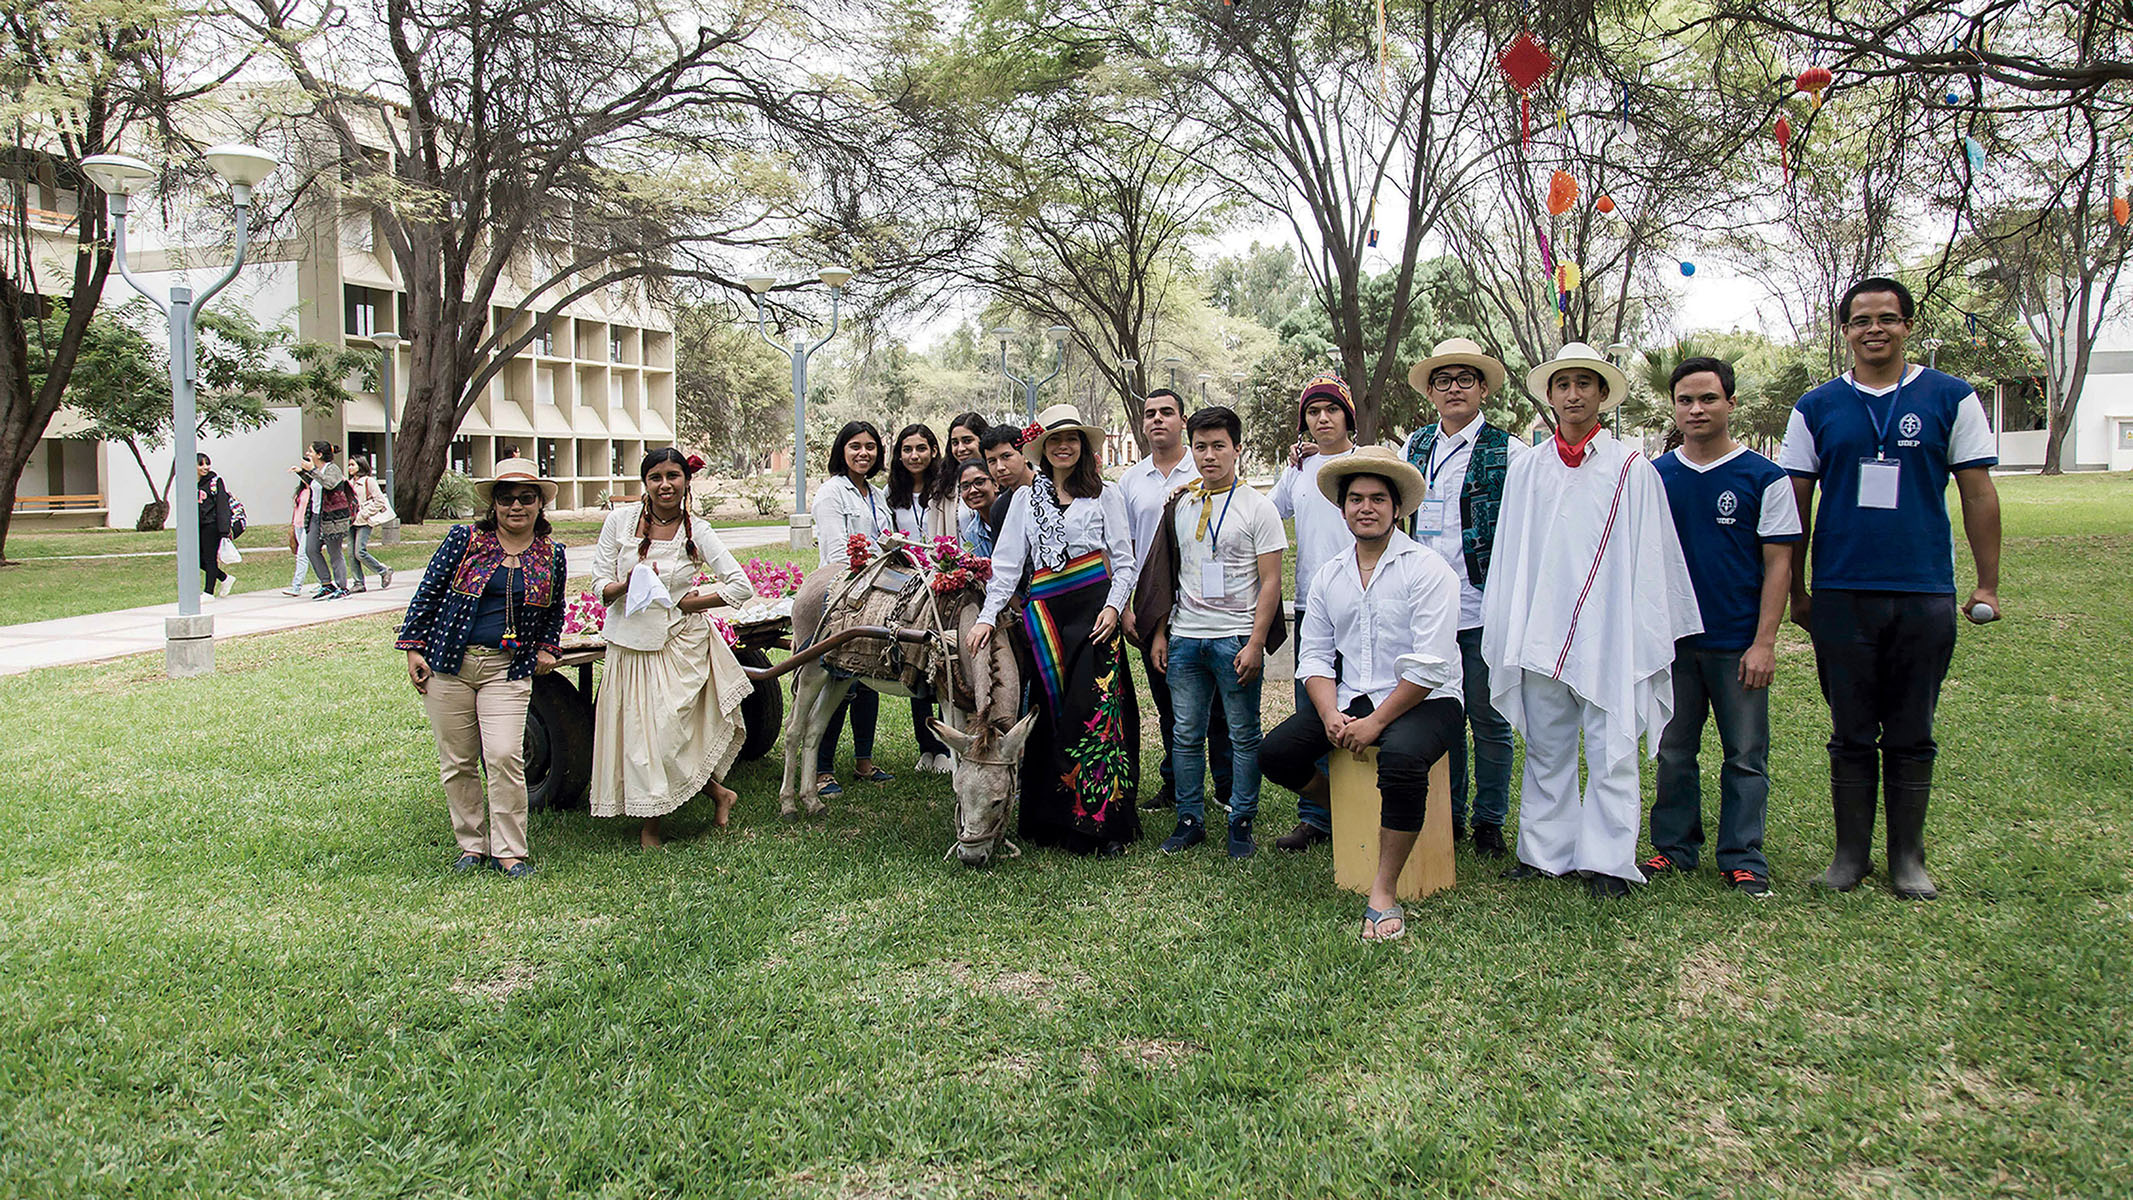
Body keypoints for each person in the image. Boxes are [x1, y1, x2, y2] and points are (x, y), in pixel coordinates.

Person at [1777, 277, 2002, 900]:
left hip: (1923, 591)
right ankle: (1849, 856)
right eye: (1861, 320)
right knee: (1850, 729)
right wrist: (1798, 591)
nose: (1874, 329)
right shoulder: (1816, 406)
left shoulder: (1951, 397)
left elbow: (1979, 493)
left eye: (1886, 318)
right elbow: (1796, 504)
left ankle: (1908, 859)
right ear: (1846, 331)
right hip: (1842, 592)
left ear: (1907, 325)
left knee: (1912, 728)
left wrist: (1987, 584)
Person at [1482, 342, 1702, 898]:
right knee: (1547, 746)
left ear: (1603, 393)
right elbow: (1513, 553)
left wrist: (1634, 628)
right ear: (1550, 395)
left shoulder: (1632, 469)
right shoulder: (1528, 468)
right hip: (1541, 628)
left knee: (1611, 748)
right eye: (1563, 384)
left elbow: (1650, 557)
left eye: (1584, 383)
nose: (1573, 394)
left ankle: (1608, 860)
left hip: (1609, 631)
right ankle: (1544, 853)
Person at [1261, 447, 1464, 940]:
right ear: (1343, 507)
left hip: (1430, 700)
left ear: (1396, 508)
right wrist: (1330, 712)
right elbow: (1314, 657)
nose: (1366, 508)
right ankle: (1353, 812)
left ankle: (1384, 890)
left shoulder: (1428, 568)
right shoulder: (1330, 575)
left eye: (1377, 499)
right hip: (1355, 695)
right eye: (1356, 499)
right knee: (1276, 754)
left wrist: (1375, 723)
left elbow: (1430, 666)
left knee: (1401, 758)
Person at [1646, 357, 1802, 897]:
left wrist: (1765, 643)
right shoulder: (1654, 477)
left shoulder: (1764, 477)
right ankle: (1674, 848)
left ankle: (1743, 857)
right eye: (1685, 400)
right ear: (1674, 407)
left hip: (1737, 643)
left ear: (1731, 403)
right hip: (1672, 644)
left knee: (1745, 755)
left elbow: (1779, 564)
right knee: (1673, 751)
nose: (1696, 409)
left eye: (1708, 398)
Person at [968, 403, 1141, 855]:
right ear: (1043, 449)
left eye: (1072, 439)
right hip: (1045, 616)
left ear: (1082, 445)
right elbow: (1008, 565)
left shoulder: (1105, 494)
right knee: (1050, 714)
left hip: (1095, 613)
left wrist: (1113, 608)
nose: (1064, 446)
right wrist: (986, 617)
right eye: (1055, 440)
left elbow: (1124, 562)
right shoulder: (1025, 500)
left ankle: (1099, 825)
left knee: (1096, 711)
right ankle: (1051, 819)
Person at [397, 457, 567, 878]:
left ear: (540, 504)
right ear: (494, 504)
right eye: (506, 498)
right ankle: (471, 845)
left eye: (525, 498)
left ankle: (509, 851)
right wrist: (413, 649)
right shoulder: (465, 540)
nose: (516, 506)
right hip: (450, 664)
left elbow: (554, 609)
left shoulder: (552, 555)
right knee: (458, 761)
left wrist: (547, 647)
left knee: (505, 754)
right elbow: (428, 593)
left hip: (506, 669)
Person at [1399, 338, 1526, 858]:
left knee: (1489, 719)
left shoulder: (1509, 451)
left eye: (1465, 379)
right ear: (1430, 391)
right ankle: (1447, 814)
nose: (1454, 389)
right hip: (1428, 609)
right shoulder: (1415, 447)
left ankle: (1488, 820)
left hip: (1482, 606)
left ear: (1483, 389)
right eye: (1444, 380)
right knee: (1440, 716)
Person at [589, 449, 753, 847]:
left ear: (686, 481)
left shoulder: (698, 531)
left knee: (666, 738)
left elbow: (740, 586)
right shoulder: (619, 522)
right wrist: (627, 585)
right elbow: (599, 586)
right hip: (629, 645)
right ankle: (713, 797)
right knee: (639, 739)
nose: (665, 485)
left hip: (678, 644)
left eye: (673, 476)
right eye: (656, 477)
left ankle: (655, 823)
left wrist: (690, 603)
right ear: (645, 482)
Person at [1149, 406, 1287, 858]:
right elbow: (1169, 575)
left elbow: (1271, 582)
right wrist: (1161, 633)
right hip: (1186, 637)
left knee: (1244, 734)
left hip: (1236, 638)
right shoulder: (1181, 504)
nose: (1209, 456)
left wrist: (1255, 643)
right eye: (1201, 447)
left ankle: (1241, 821)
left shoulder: (1258, 508)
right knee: (1185, 734)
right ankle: (1189, 819)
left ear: (1237, 449)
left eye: (1219, 446)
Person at [1116, 387, 1229, 812]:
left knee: (1216, 706)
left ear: (1183, 420)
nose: (1157, 420)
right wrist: (1126, 606)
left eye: (1167, 412)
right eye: (1150, 414)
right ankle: (1175, 783)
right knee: (1168, 704)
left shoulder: (1203, 466)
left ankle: (1226, 785)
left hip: (1204, 600)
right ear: (1142, 424)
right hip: (1152, 607)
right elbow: (1122, 548)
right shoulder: (1130, 481)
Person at [1267, 374, 1358, 848]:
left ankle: (1367, 805)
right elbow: (1267, 515)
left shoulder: (1367, 463)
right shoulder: (1298, 471)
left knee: (1361, 705)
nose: (1323, 419)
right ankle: (1319, 818)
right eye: (1313, 412)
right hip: (1311, 606)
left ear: (1348, 416)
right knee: (1312, 713)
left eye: (1332, 410)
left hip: (1364, 608)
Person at [809, 420, 895, 796]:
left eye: (870, 447)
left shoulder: (876, 494)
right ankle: (822, 769)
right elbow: (837, 554)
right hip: (843, 595)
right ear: (841, 451)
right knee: (838, 679)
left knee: (869, 677)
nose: (864, 453)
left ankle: (864, 761)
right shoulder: (831, 493)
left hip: (876, 594)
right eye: (855, 446)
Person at [887, 423, 958, 772]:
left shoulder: (944, 489)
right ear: (899, 455)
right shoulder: (891, 494)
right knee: (913, 662)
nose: (914, 456)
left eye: (921, 448)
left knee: (940, 665)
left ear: (933, 451)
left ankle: (945, 748)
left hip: (941, 582)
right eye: (907, 449)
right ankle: (925, 747)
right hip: (906, 584)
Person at [291, 441, 353, 600]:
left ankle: (342, 587)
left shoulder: (332, 469)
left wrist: (311, 470)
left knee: (334, 552)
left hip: (332, 518)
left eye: (310, 451)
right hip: (316, 516)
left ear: (319, 455)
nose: (307, 454)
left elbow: (329, 484)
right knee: (311, 549)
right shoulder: (317, 471)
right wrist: (302, 473)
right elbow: (315, 484)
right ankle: (326, 584)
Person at [347, 456, 395, 592]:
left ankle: (383, 570)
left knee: (359, 552)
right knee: (351, 554)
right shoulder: (350, 483)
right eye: (349, 465)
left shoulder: (369, 481)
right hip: (351, 521)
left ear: (360, 465)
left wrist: (364, 513)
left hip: (364, 521)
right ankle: (358, 582)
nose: (349, 468)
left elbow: (379, 501)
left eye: (352, 465)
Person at [196, 453, 235, 598]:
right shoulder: (189, 483)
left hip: (211, 525)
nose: (205, 467)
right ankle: (225, 578)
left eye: (207, 464)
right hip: (197, 526)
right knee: (197, 559)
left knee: (210, 558)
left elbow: (222, 505)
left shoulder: (215, 481)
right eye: (201, 464)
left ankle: (208, 592)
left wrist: (224, 531)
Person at [955, 458, 998, 557]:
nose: (973, 490)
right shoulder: (972, 532)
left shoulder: (1013, 514)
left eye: (979, 483)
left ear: (995, 484)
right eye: (965, 486)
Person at [283, 477, 313, 596]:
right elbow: (296, 509)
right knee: (311, 555)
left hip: (307, 525)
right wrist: (292, 525)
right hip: (297, 524)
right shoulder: (301, 491)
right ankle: (324, 582)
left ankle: (296, 586)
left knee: (302, 555)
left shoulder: (314, 490)